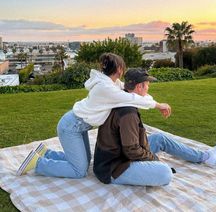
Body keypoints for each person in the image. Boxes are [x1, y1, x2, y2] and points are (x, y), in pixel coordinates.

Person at [16, 53, 171, 178]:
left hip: (76, 125)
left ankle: (47, 153)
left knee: (84, 161)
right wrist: (159, 106)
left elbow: (136, 95)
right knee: (79, 171)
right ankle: (38, 163)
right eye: (123, 67)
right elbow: (132, 98)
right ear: (119, 69)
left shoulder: (112, 84)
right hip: (71, 127)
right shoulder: (106, 88)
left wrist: (156, 103)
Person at [93, 68, 216, 186]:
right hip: (114, 167)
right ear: (139, 87)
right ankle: (154, 166)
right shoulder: (128, 113)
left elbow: (130, 143)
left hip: (120, 154)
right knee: (165, 173)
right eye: (147, 85)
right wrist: (153, 158)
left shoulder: (123, 97)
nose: (148, 88)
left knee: (159, 138)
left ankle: (205, 157)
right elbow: (131, 150)